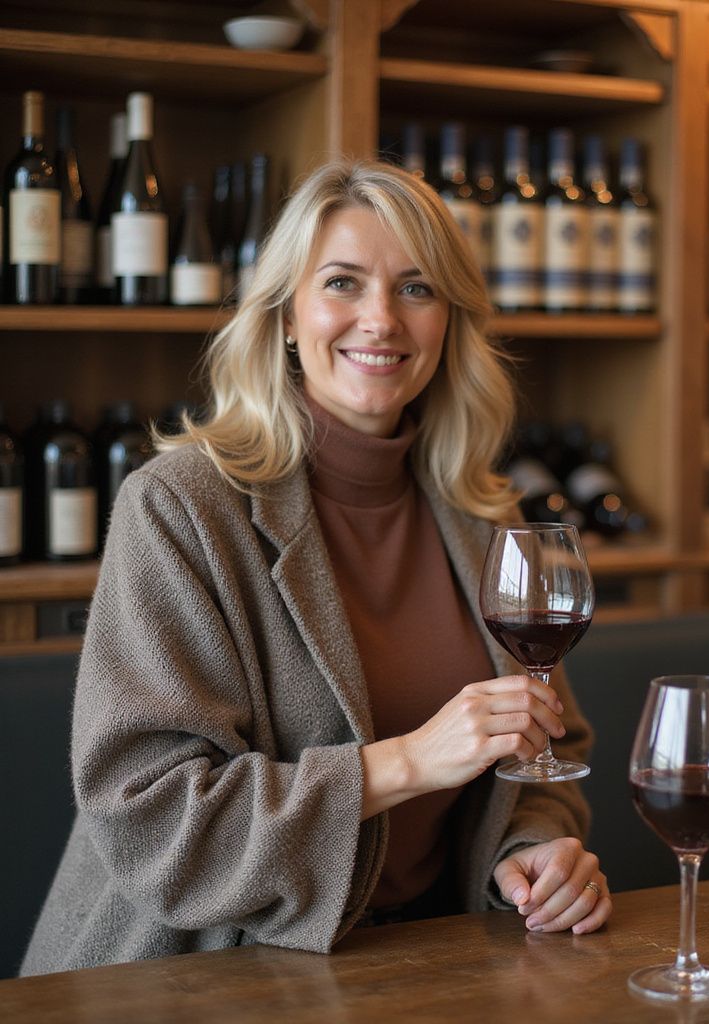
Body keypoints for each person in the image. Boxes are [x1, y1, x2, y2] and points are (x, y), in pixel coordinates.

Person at [20, 160, 611, 976]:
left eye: (416, 288)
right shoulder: (180, 507)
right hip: (198, 973)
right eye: (342, 282)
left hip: (423, 962)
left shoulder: (484, 517)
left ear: (448, 322)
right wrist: (407, 762)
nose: (381, 319)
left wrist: (532, 849)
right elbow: (153, 823)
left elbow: (546, 749)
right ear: (287, 316)